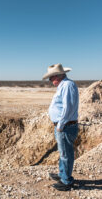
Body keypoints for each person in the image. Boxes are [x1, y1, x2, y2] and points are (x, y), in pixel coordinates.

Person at [42, 63, 79, 191]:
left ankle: (67, 181)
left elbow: (68, 108)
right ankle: (63, 175)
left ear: (58, 75)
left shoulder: (67, 85)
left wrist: (61, 125)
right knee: (63, 153)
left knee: (66, 154)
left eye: (51, 77)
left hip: (65, 126)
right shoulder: (63, 85)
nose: (50, 80)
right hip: (63, 126)